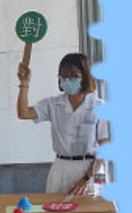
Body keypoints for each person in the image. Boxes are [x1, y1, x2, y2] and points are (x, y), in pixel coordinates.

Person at [17, 52, 109, 195]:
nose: (67, 80)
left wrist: (86, 178)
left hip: (91, 169)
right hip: (62, 167)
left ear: (85, 76)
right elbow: (23, 113)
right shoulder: (53, 104)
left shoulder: (99, 107)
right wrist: (24, 83)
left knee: (91, 207)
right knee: (55, 207)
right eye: (63, 75)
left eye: (73, 75)